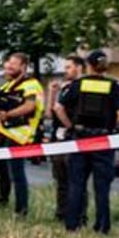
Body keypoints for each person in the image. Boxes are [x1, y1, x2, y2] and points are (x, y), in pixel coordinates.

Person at [55, 49, 119, 233]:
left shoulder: (78, 84)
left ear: (88, 65)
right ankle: (102, 226)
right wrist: (111, 127)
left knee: (76, 183)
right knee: (102, 186)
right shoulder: (113, 85)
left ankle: (72, 225)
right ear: (103, 66)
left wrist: (71, 126)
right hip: (102, 140)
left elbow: (58, 108)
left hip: (80, 139)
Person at [0, 52, 45, 216]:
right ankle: (2, 202)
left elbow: (29, 107)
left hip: (18, 135)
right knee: (2, 172)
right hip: (3, 132)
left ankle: (21, 210)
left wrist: (8, 115)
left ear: (23, 67)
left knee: (17, 174)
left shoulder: (31, 84)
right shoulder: (7, 86)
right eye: (8, 63)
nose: (9, 66)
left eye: (14, 64)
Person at [48, 55, 84, 222]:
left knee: (73, 180)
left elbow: (58, 109)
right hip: (59, 138)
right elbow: (51, 112)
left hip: (70, 139)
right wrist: (52, 93)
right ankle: (62, 213)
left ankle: (75, 214)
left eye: (69, 67)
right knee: (61, 179)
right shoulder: (65, 88)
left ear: (79, 68)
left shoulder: (80, 87)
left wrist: (69, 126)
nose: (65, 70)